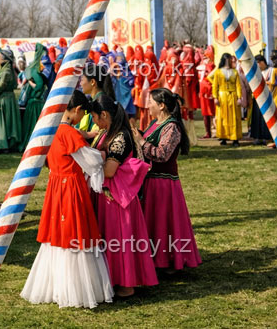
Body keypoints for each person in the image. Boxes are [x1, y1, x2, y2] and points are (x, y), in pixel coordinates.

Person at [20, 90, 113, 309]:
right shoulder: (68, 133)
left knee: (58, 235)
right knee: (75, 232)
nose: (82, 120)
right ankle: (76, 289)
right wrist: (102, 155)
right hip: (71, 188)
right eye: (82, 115)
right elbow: (90, 162)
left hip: (55, 186)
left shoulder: (50, 128)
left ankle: (57, 286)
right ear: (77, 110)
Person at [91, 95, 157, 297]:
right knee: (113, 240)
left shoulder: (119, 137)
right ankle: (113, 280)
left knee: (119, 240)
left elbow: (110, 170)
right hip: (110, 197)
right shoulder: (108, 132)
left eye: (94, 116)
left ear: (104, 114)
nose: (93, 121)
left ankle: (125, 283)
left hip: (118, 200)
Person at [133, 88, 201, 273]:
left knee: (164, 223)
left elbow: (162, 154)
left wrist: (141, 142)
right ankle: (154, 259)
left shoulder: (172, 127)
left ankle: (168, 259)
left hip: (164, 184)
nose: (148, 106)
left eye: (151, 103)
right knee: (154, 223)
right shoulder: (155, 123)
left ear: (161, 105)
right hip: (151, 182)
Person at [0, 47, 21, 153]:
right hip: (7, 98)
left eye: (0, 57)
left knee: (6, 124)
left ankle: (5, 146)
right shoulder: (5, 69)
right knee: (7, 123)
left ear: (5, 59)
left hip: (5, 99)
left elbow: (1, 85)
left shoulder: (6, 71)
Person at [208, 53, 243, 146]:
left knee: (234, 117)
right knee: (222, 117)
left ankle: (235, 138)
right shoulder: (218, 72)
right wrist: (215, 97)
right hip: (222, 96)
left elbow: (238, 86)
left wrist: (239, 97)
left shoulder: (235, 72)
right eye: (228, 59)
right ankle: (223, 137)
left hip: (233, 96)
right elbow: (215, 85)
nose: (229, 61)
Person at [19, 44, 47, 151]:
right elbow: (41, 84)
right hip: (36, 103)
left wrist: (31, 83)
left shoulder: (34, 69)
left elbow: (39, 85)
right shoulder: (36, 68)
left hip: (35, 103)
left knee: (33, 126)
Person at [249, 56, 274, 146]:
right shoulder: (255, 72)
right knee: (256, 118)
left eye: (259, 62)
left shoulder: (271, 71)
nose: (258, 65)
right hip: (257, 97)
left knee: (266, 118)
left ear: (263, 62)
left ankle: (266, 137)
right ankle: (257, 137)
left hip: (267, 97)